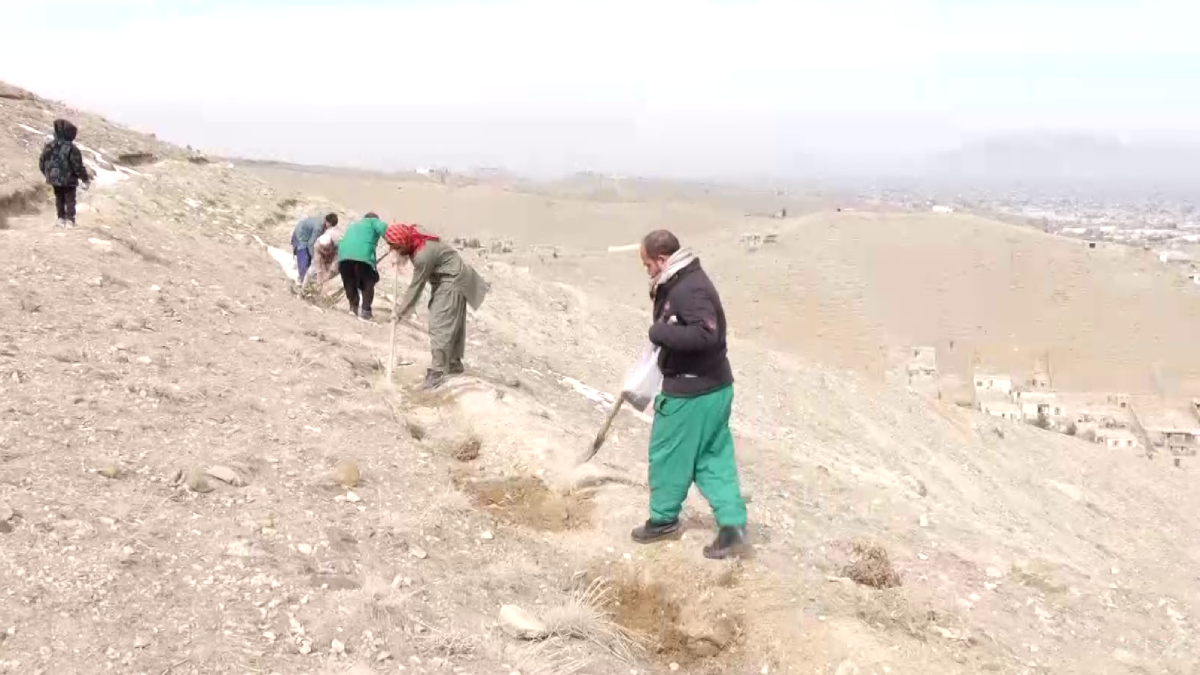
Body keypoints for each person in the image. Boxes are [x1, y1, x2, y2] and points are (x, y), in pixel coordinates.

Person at [631, 229, 748, 560]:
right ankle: (733, 528)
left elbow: (704, 333)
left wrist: (660, 332)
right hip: (714, 387)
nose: (647, 271)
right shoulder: (685, 281)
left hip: (692, 392)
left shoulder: (689, 288)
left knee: (668, 455)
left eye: (647, 264)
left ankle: (663, 519)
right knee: (712, 457)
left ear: (663, 260)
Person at [384, 223, 489, 390]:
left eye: (395, 247)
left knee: (440, 323)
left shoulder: (422, 256)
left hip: (452, 281)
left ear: (403, 244)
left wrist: (400, 312)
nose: (392, 250)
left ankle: (437, 372)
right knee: (450, 321)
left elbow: (416, 287)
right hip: (452, 279)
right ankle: (453, 363)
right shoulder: (415, 239)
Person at [38, 119, 91, 227]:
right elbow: (78, 166)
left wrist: (48, 174)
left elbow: (42, 161)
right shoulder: (72, 148)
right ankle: (70, 220)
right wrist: (84, 179)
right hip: (69, 179)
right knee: (70, 198)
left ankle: (60, 218)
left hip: (54, 178)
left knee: (59, 197)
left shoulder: (49, 146)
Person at [336, 212, 388, 320]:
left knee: (349, 283)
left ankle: (353, 308)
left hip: (343, 257)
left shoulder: (353, 225)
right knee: (367, 283)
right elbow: (384, 228)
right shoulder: (373, 221)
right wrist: (394, 243)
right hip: (363, 257)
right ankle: (366, 311)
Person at [291, 213, 338, 286]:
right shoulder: (318, 228)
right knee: (305, 259)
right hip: (301, 235)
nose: (330, 228)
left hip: (305, 230)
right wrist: (314, 256)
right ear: (327, 221)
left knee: (310, 257)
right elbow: (310, 243)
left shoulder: (324, 220)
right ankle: (301, 280)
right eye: (330, 225)